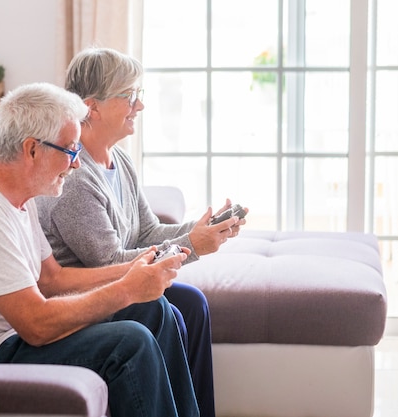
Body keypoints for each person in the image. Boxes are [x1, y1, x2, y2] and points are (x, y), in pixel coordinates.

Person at [0, 82, 199, 417]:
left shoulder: (16, 191)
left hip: (12, 334)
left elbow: (50, 278)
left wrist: (137, 268)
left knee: (154, 310)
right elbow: (36, 326)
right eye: (71, 150)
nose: (77, 163)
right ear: (32, 150)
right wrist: (126, 289)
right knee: (129, 343)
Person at [36, 47, 248, 417]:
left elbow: (146, 230)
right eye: (129, 95)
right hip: (90, 291)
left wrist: (201, 230)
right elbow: (111, 261)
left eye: (139, 94)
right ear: (91, 107)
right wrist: (191, 246)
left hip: (120, 283)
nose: (140, 105)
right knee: (161, 307)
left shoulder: (120, 160)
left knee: (193, 304)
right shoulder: (75, 178)